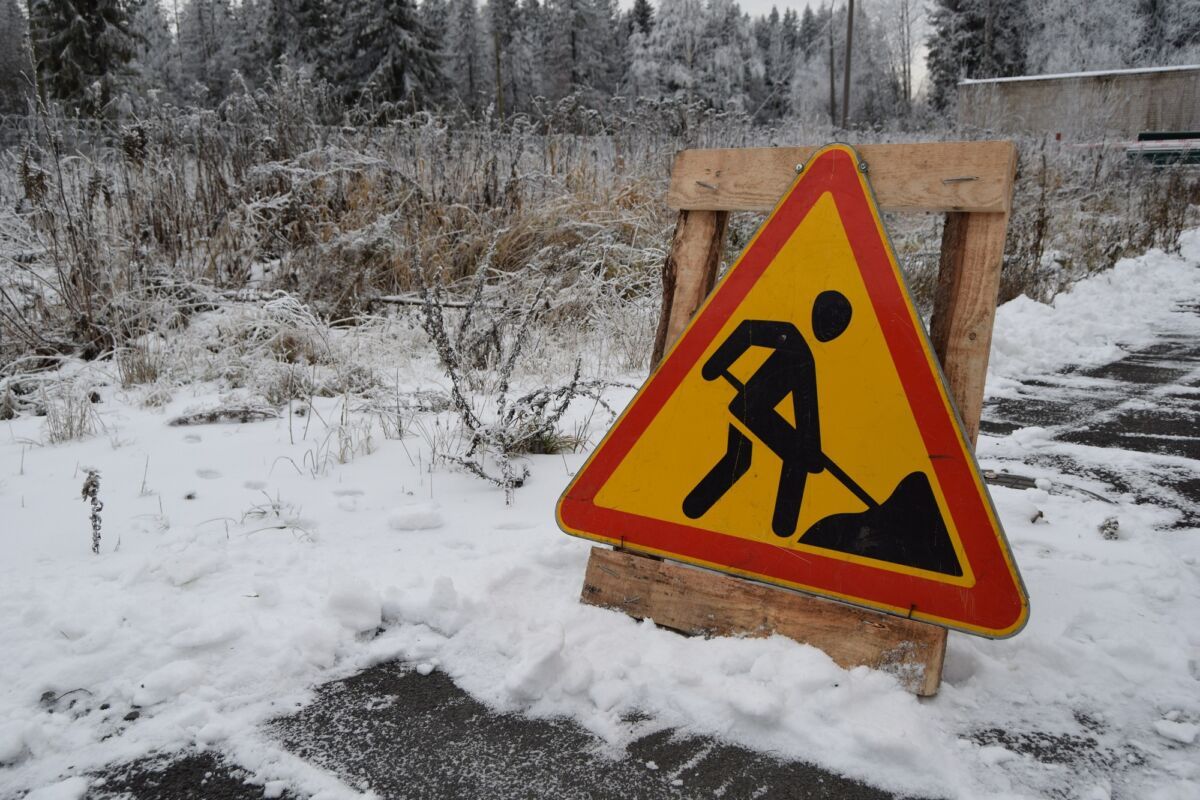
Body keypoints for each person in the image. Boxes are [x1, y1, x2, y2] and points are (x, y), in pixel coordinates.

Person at [682, 291, 851, 537]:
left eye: (838, 326)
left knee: (743, 459)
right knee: (789, 457)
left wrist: (812, 448)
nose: (832, 330)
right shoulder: (792, 339)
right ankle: (783, 528)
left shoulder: (805, 356)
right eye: (832, 322)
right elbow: (747, 331)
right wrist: (714, 366)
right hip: (749, 409)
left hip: (751, 410)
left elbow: (806, 409)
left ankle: (694, 511)